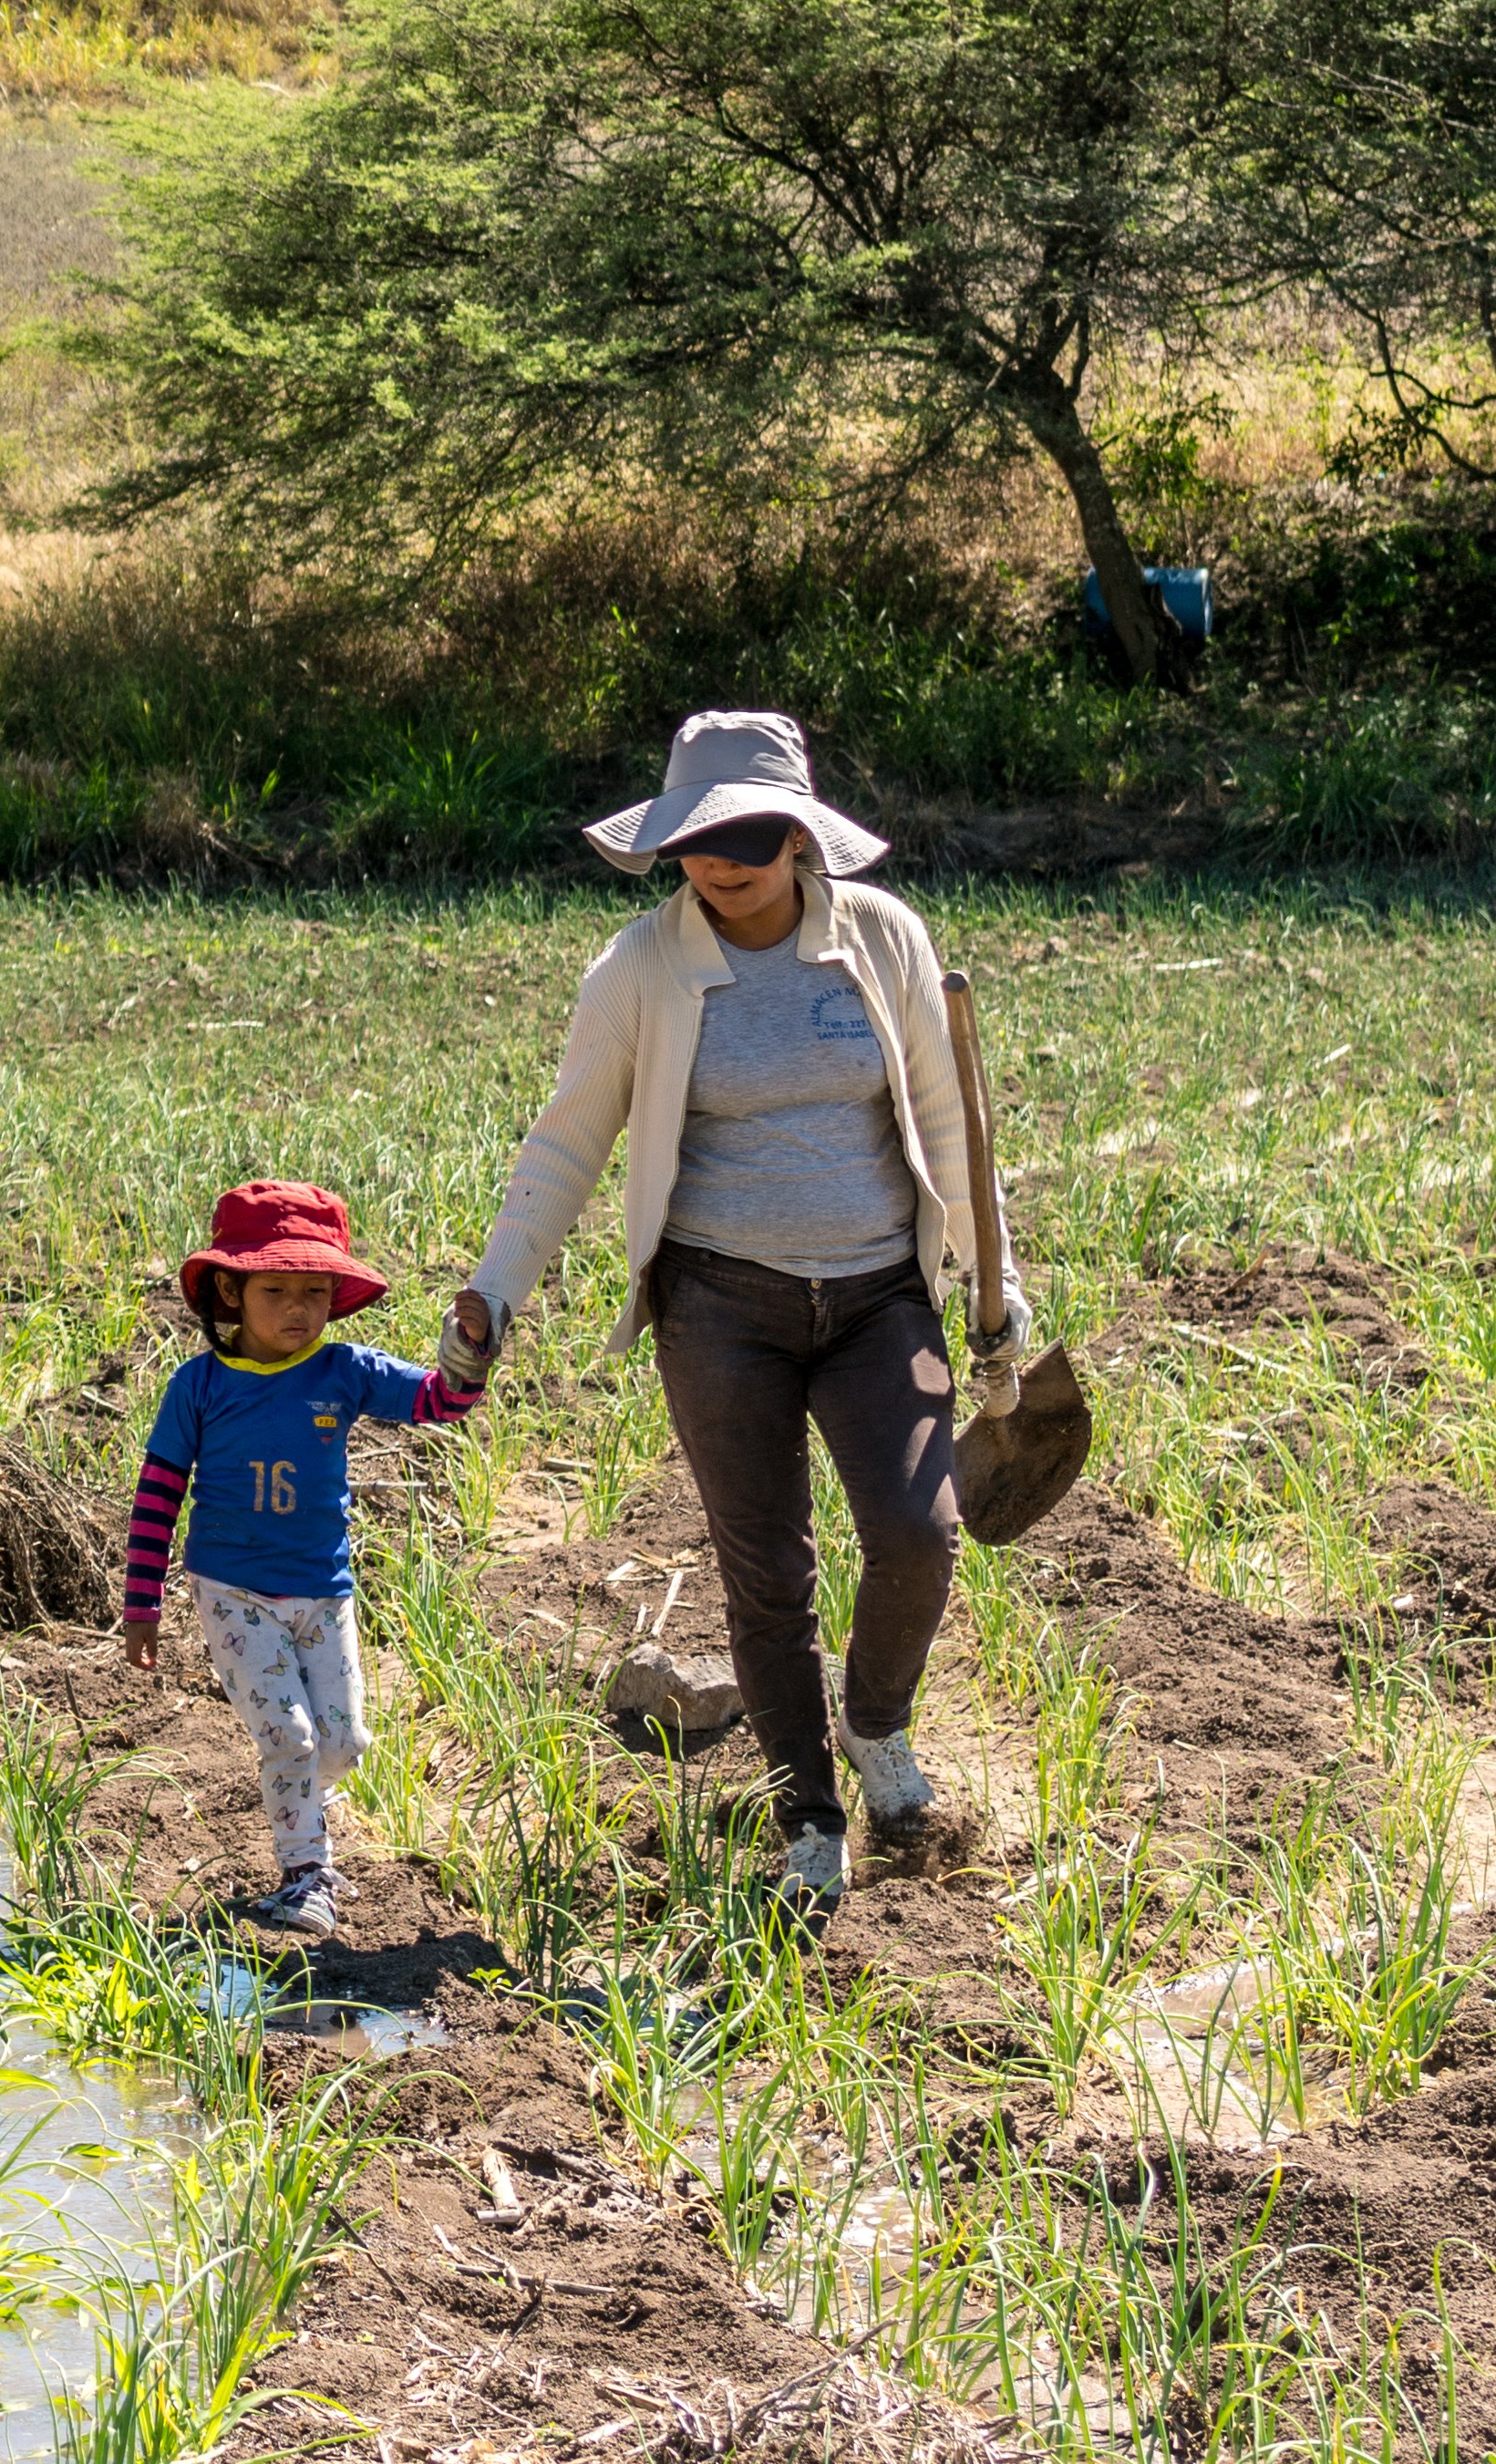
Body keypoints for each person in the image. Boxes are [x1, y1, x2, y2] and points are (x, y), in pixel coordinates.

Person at [437, 711, 1029, 1900]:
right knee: (768, 1573)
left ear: (801, 836)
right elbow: (566, 1146)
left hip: (878, 1299)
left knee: (919, 1532)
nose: (725, 858)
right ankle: (813, 1821)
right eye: (700, 835)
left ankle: (873, 1720)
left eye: (751, 832)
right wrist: (493, 1296)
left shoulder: (880, 941)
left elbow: (951, 1121)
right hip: (718, 1308)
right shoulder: (640, 971)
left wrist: (994, 1280)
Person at [114, 1178, 476, 1939]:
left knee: (344, 1743)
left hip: (324, 1590)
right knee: (292, 1736)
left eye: (315, 1290)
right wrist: (141, 1604)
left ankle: (301, 1812)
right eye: (274, 1289)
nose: (297, 1308)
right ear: (229, 1290)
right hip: (232, 1589)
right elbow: (158, 1496)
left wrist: (466, 1360)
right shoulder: (201, 1386)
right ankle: (305, 1874)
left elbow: (436, 1404)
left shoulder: (343, 1372)